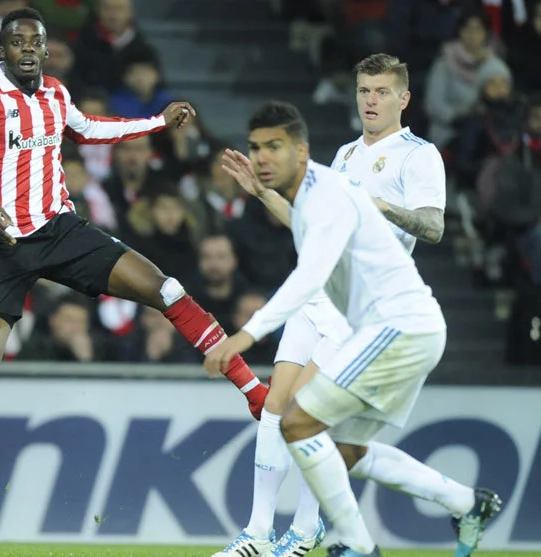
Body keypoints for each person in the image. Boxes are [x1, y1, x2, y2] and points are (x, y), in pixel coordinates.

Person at [0, 8, 270, 554]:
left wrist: (156, 123)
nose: (27, 49)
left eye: (35, 41)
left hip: (59, 229)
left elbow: (91, 129)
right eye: (17, 42)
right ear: (2, 50)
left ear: (46, 49)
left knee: (166, 289)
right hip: (0, 242)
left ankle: (253, 392)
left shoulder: (55, 95)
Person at [207, 101, 501, 557]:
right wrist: (262, 194)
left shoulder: (349, 183)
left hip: (382, 324)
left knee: (302, 424)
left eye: (273, 147)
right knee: (335, 443)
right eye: (256, 147)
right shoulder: (336, 167)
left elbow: (310, 274)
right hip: (345, 312)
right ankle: (465, 503)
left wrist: (247, 334)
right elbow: (308, 242)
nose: (262, 157)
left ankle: (329, 537)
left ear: (300, 151)